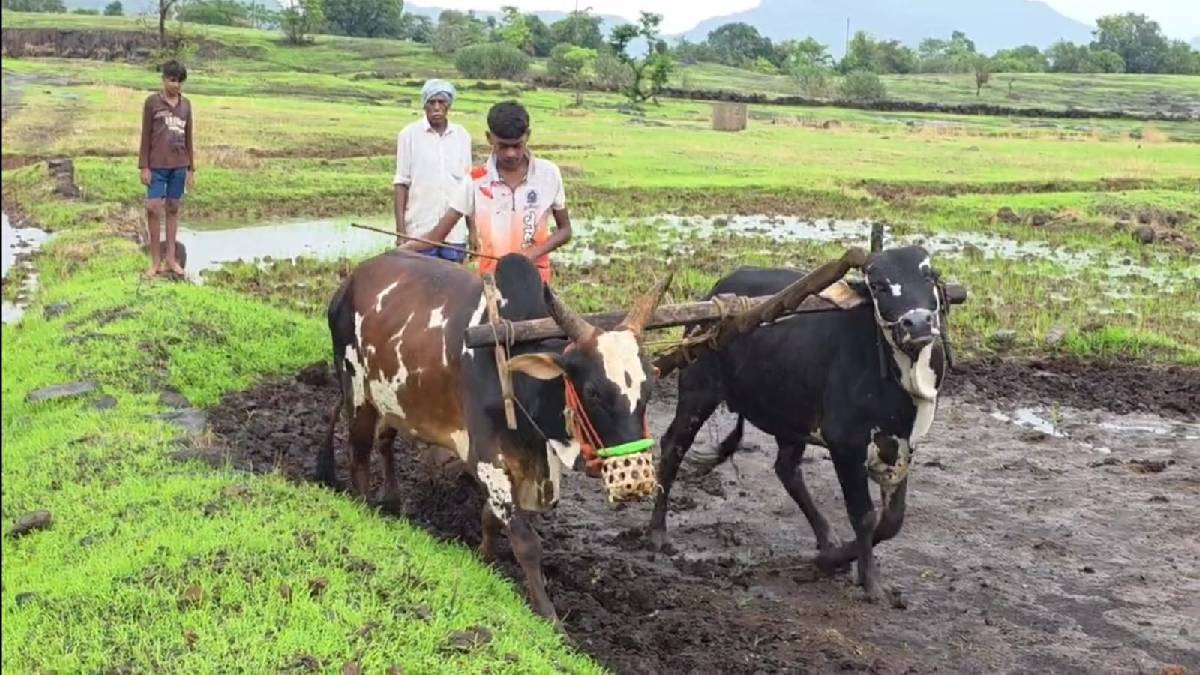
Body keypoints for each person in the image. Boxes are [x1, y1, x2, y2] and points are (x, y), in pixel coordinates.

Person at [403, 100, 572, 283]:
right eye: (503, 146)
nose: (511, 154)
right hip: (491, 283)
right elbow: (436, 236)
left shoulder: (548, 174)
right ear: (489, 138)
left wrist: (531, 254)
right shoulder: (476, 180)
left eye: (517, 145)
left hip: (536, 281)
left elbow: (565, 230)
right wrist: (400, 251)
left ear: (528, 136)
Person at [393, 79, 472, 263]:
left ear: (449, 105)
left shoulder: (462, 136)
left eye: (442, 102)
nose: (437, 107)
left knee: (453, 288)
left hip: (455, 235)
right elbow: (401, 184)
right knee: (420, 287)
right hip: (419, 231)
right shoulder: (409, 135)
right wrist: (401, 232)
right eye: (432, 102)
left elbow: (469, 188)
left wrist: (473, 231)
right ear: (424, 105)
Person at [138, 59, 194, 279]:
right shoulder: (152, 103)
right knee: (153, 207)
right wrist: (144, 166)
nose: (176, 85)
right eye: (172, 80)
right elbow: (145, 136)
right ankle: (154, 261)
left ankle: (171, 258)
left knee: (173, 207)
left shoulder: (186, 105)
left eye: (180, 81)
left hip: (179, 165)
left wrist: (191, 169)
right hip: (157, 165)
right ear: (163, 80)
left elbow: (189, 137)